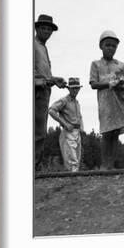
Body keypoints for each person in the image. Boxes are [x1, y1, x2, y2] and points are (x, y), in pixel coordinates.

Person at [89, 30, 124, 170]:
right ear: (101, 46)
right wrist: (109, 84)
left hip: (119, 101)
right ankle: (104, 164)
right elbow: (93, 84)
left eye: (113, 46)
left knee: (115, 132)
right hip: (105, 101)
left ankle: (111, 164)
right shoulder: (96, 64)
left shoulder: (120, 65)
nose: (110, 48)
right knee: (106, 131)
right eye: (107, 45)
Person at [34, 14, 66, 170]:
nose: (47, 32)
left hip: (44, 92)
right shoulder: (32, 45)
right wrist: (46, 81)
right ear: (37, 29)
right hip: (35, 92)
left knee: (40, 131)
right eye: (43, 28)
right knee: (35, 131)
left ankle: (36, 166)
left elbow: (43, 73)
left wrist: (54, 79)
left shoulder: (43, 47)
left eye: (49, 29)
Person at [48, 77, 84, 172]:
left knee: (77, 158)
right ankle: (72, 181)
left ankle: (74, 181)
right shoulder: (64, 100)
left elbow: (79, 116)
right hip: (68, 131)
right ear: (69, 89)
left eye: (77, 88)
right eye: (73, 88)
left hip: (77, 132)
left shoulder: (77, 102)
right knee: (72, 159)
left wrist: (82, 127)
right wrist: (65, 123)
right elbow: (51, 111)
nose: (75, 90)